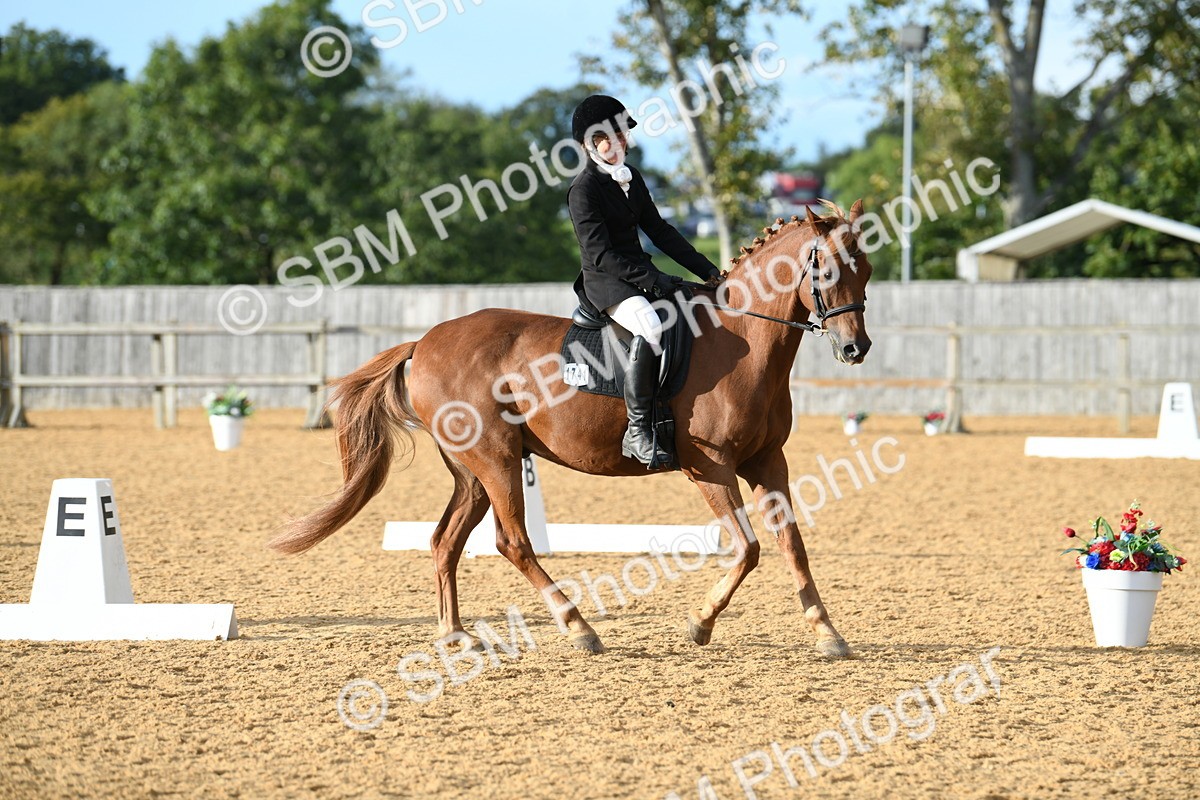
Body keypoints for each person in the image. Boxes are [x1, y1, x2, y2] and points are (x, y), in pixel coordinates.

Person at [567, 94, 724, 467]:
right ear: (593, 142)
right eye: (616, 136)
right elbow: (602, 255)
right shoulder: (583, 190)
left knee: (694, 312)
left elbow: (661, 231)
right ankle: (637, 431)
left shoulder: (630, 177)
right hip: (607, 283)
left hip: (638, 274)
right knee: (652, 327)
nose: (624, 142)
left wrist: (709, 272)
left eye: (624, 135)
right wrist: (655, 281)